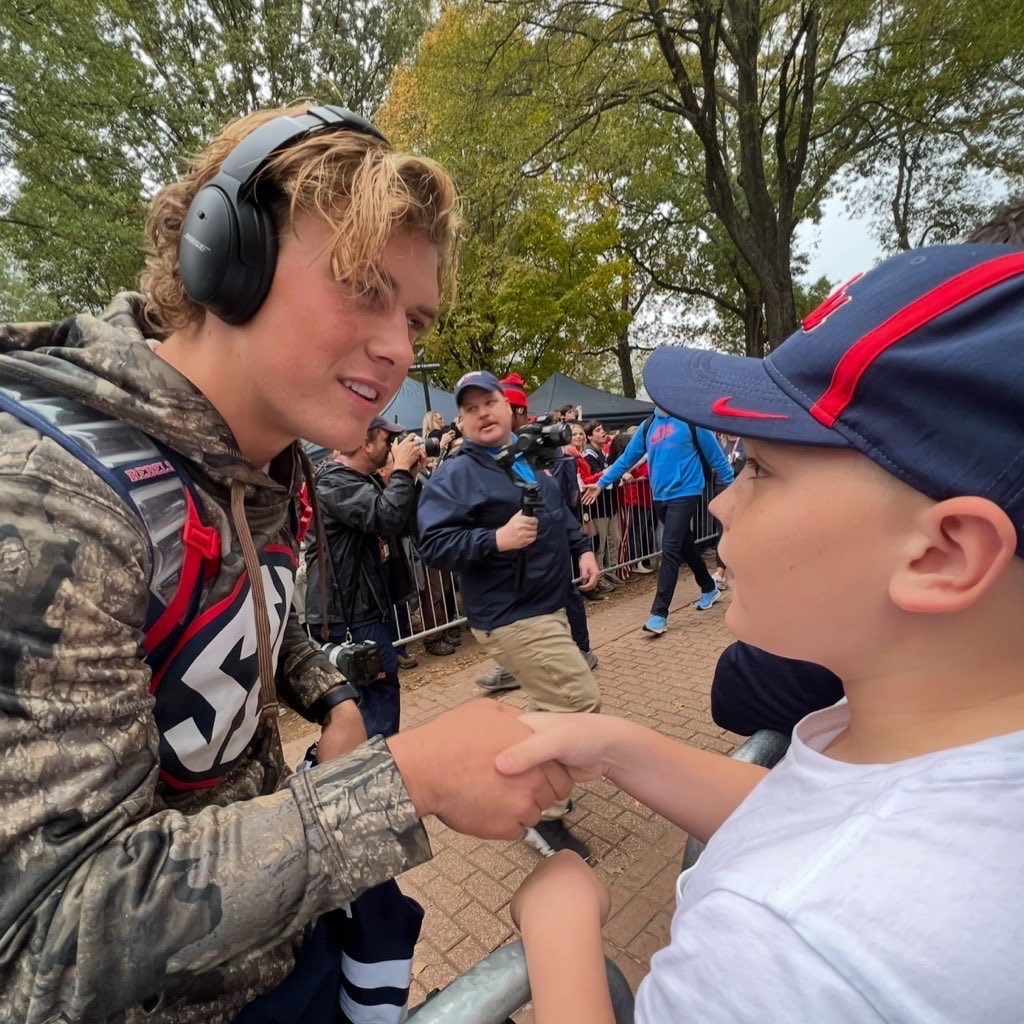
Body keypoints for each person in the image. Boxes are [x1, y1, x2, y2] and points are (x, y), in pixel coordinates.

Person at [0, 102, 577, 1023]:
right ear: (225, 255)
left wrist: (336, 698)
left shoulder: (272, 457)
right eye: (362, 286)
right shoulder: (46, 496)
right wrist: (406, 781)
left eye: (416, 320)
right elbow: (42, 943)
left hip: (286, 952)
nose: (398, 350)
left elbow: (263, 613)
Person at [500, 241, 1024, 1022]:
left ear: (944, 553)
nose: (724, 502)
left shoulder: (786, 943)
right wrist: (618, 746)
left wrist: (559, 935)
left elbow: (818, 870)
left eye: (761, 470)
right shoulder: (948, 745)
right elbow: (811, 816)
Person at [418, 370, 602, 859]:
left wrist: (582, 548)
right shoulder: (456, 473)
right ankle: (542, 816)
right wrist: (494, 539)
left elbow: (558, 512)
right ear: (460, 419)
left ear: (507, 406)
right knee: (579, 701)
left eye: (489, 402)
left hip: (549, 604)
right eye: (471, 407)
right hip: (511, 615)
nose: (482, 412)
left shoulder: (522, 457)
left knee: (556, 702)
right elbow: (432, 544)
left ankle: (510, 754)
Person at [475, 374, 600, 694]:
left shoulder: (547, 447)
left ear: (515, 411)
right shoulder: (494, 450)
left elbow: (557, 502)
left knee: (563, 594)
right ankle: (515, 666)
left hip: (551, 539)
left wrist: (582, 549)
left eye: (498, 406)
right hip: (516, 542)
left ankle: (583, 650)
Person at [303, 417, 426, 737]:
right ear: (365, 442)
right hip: (352, 618)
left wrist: (407, 478)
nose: (393, 446)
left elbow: (401, 524)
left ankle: (362, 770)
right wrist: (399, 471)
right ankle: (372, 776)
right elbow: (384, 517)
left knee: (369, 702)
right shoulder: (334, 482)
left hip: (365, 609)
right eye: (387, 439)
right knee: (376, 703)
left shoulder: (358, 480)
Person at [584, 408, 733, 634]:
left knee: (670, 548)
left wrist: (732, 488)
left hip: (687, 491)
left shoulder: (691, 420)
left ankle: (659, 613)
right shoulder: (648, 424)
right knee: (684, 544)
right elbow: (627, 458)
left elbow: (717, 457)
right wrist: (603, 482)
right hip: (659, 495)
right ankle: (708, 587)